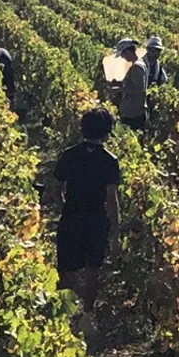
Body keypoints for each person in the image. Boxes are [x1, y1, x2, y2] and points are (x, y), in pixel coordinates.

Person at [54, 106, 121, 333]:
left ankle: (62, 319)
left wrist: (65, 206)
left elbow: (55, 189)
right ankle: (87, 316)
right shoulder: (109, 160)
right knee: (93, 269)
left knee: (67, 270)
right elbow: (111, 199)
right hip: (96, 220)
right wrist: (115, 229)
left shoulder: (69, 155)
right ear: (107, 132)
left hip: (71, 216)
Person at [113, 38, 148, 131]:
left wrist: (121, 89)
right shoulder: (138, 64)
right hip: (133, 112)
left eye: (123, 54)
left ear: (128, 52)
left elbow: (139, 89)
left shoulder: (137, 66)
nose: (122, 57)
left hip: (133, 114)